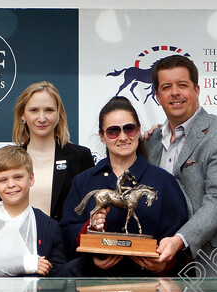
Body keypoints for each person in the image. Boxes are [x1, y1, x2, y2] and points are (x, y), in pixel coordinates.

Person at [145, 55, 217, 277]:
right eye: (166, 87)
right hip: (166, 268)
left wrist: (179, 240)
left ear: (197, 89)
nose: (175, 93)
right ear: (157, 96)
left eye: (182, 85)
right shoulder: (150, 142)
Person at [60, 96, 188, 276]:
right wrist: (91, 249)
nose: (122, 137)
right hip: (94, 290)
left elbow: (182, 240)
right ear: (102, 137)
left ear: (138, 131)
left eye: (129, 129)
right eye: (113, 131)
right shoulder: (84, 182)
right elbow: (66, 235)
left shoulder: (164, 182)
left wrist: (164, 264)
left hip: (150, 291)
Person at [0, 146, 75, 277]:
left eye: (18, 177)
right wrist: (26, 264)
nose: (11, 184)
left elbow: (57, 276)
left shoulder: (48, 226)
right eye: (3, 180)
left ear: (31, 179)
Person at [12, 81, 95, 221]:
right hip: (18, 241)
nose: (42, 118)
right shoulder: (10, 159)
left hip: (64, 242)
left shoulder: (80, 157)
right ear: (22, 115)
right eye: (34, 110)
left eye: (49, 110)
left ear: (59, 114)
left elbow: (90, 210)